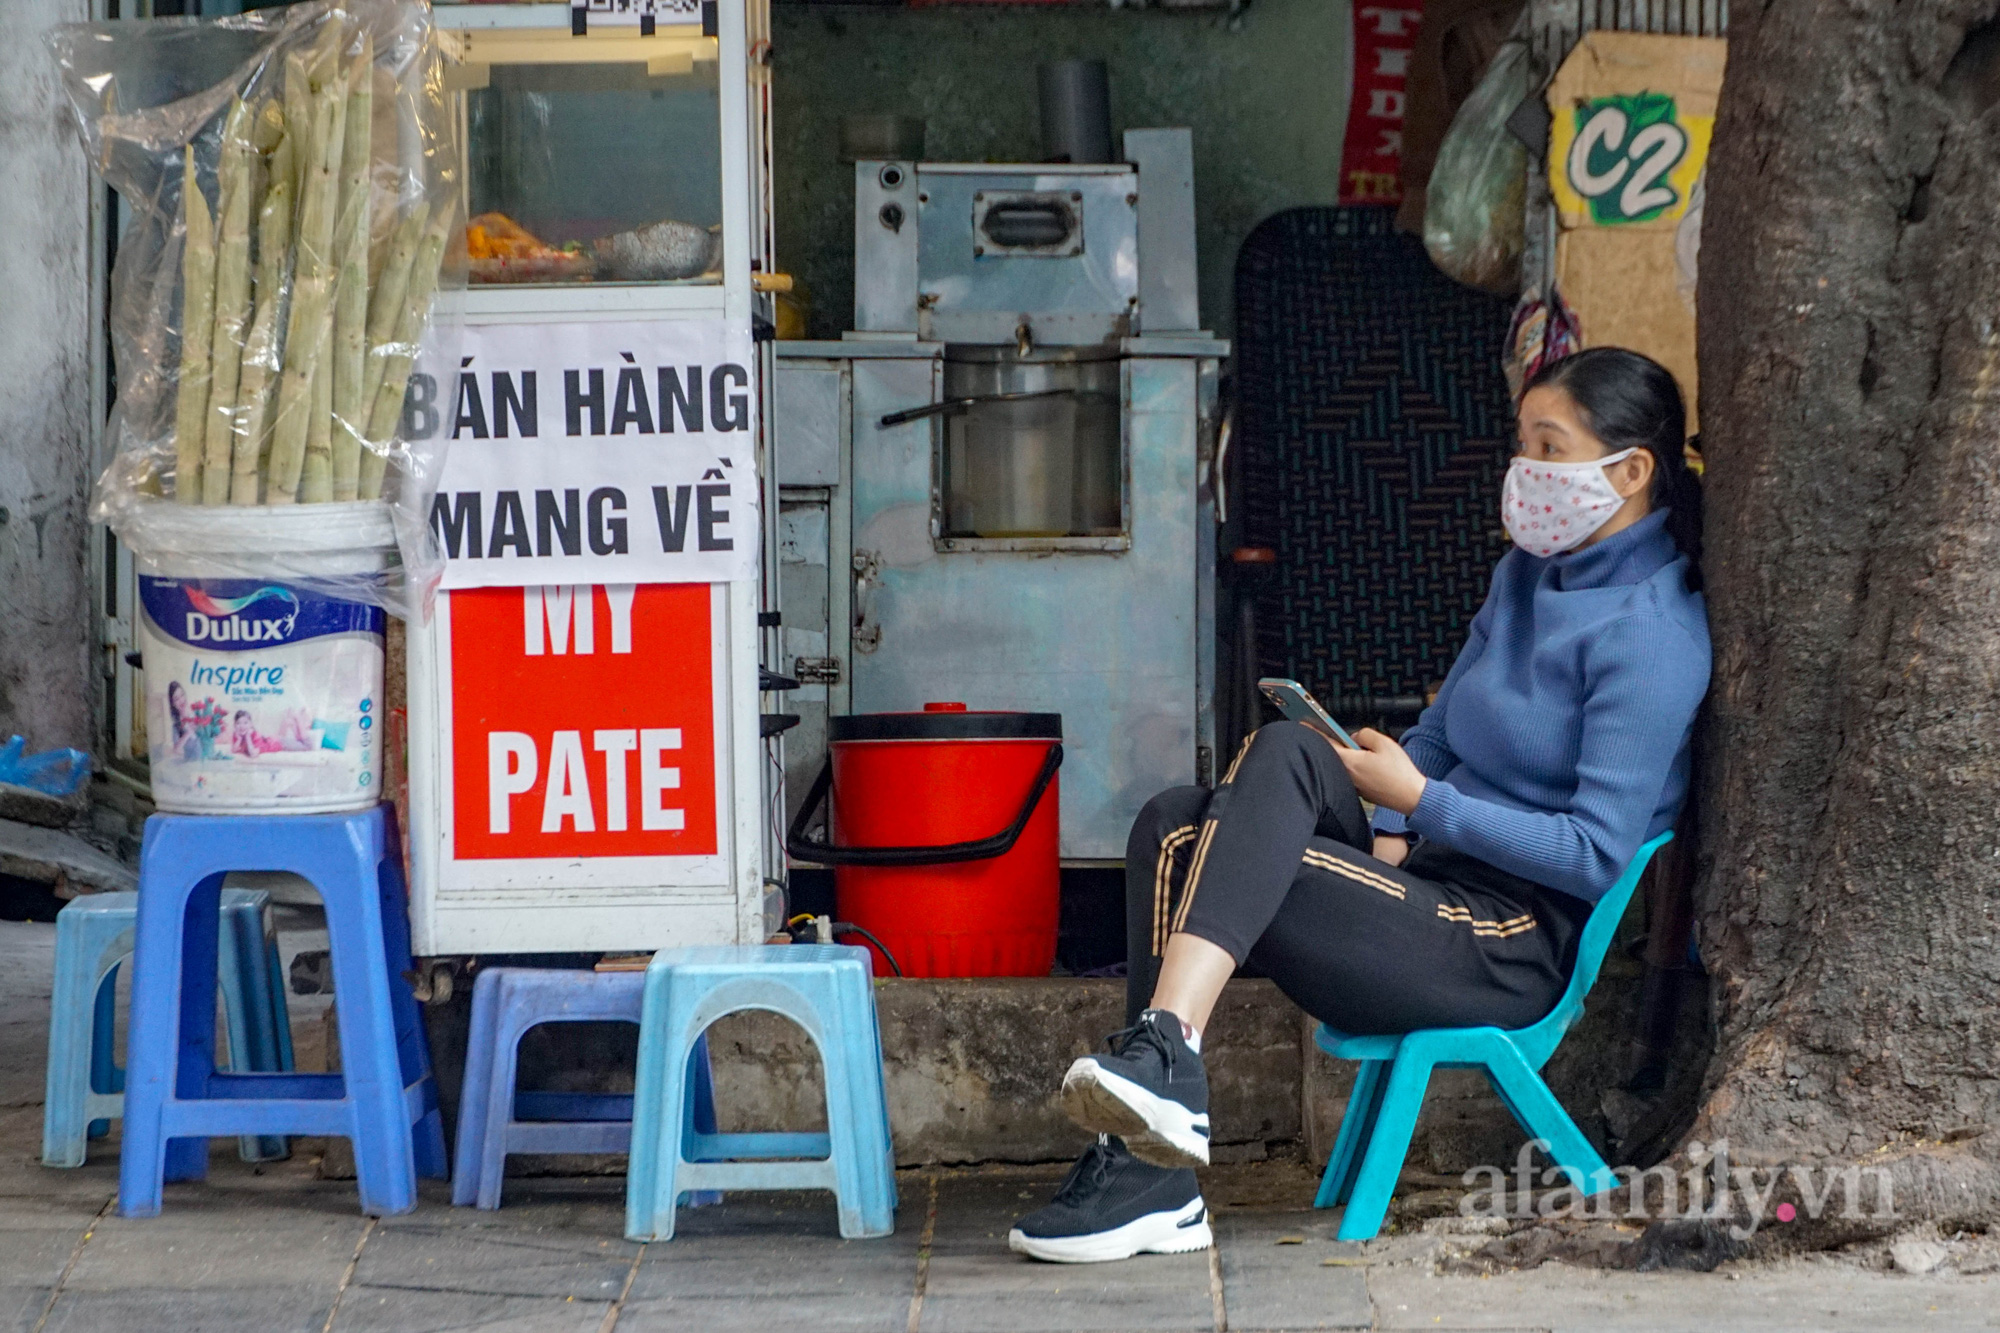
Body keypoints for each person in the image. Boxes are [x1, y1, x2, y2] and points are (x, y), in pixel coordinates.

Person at [1008, 347, 1712, 1263]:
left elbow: (1592, 855)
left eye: (1550, 446)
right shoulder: (1525, 578)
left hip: (1507, 938)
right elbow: (1442, 731)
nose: (1525, 470)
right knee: (1190, 809)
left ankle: (1157, 1112)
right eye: (1522, 442)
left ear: (1631, 470)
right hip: (1421, 880)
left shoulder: (1654, 634)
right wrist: (1388, 821)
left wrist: (1425, 805)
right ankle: (1153, 1133)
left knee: (1200, 842)